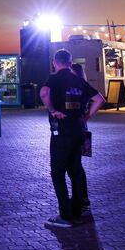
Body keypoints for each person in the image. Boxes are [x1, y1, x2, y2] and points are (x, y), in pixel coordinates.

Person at [40, 49, 105, 228]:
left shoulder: (53, 79)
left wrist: (53, 110)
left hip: (61, 131)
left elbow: (44, 93)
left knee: (57, 172)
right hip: (79, 130)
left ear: (55, 62)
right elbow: (100, 99)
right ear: (70, 62)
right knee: (75, 171)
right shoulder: (79, 80)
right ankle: (77, 212)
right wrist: (86, 116)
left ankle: (65, 215)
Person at [70, 64, 91, 212]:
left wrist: (86, 116)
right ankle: (82, 197)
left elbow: (100, 99)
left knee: (75, 166)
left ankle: (81, 198)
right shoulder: (83, 86)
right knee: (76, 165)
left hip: (76, 128)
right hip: (81, 127)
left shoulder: (77, 87)